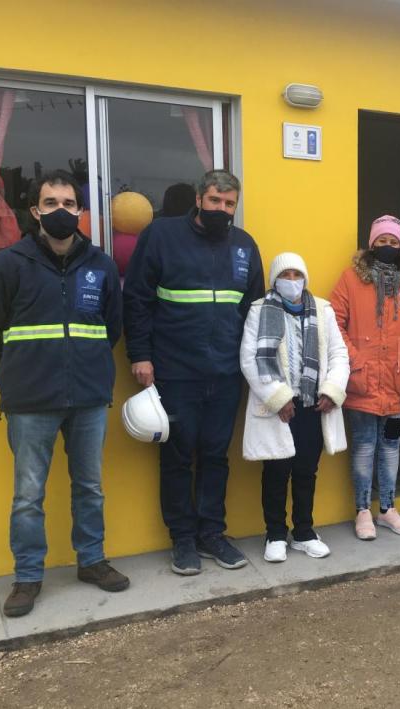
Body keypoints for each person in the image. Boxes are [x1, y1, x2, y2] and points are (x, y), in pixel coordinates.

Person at [0, 170, 129, 618]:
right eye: (51, 203)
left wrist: (86, 367)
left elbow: (110, 329)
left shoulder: (100, 265)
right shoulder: (8, 264)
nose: (62, 211)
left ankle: (92, 561)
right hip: (30, 400)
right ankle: (28, 576)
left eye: (70, 203)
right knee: (28, 494)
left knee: (90, 487)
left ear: (81, 211)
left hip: (88, 398)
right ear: (35, 211)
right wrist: (18, 370)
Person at [123, 170, 265, 575]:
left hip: (225, 372)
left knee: (216, 457)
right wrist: (140, 354)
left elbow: (254, 311)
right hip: (174, 370)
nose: (223, 209)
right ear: (200, 198)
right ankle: (182, 539)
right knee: (178, 457)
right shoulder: (161, 236)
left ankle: (211, 534)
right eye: (216, 200)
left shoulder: (244, 245)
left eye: (230, 204)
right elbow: (136, 298)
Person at [240, 253, 350, 562]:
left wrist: (332, 390)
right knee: (275, 471)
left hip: (314, 406)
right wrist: (278, 398)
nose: (291, 281)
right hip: (276, 408)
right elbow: (250, 358)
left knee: (306, 471)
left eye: (296, 274)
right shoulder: (259, 310)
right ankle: (275, 533)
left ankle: (304, 532)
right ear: (274, 280)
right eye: (285, 275)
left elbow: (339, 354)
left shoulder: (323, 309)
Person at [330, 216, 400, 540]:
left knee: (390, 447)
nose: (388, 246)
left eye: (394, 242)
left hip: (398, 387)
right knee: (362, 448)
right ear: (371, 244)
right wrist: (355, 361)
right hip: (360, 383)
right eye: (382, 240)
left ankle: (387, 508)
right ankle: (362, 510)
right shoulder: (350, 280)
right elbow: (334, 324)